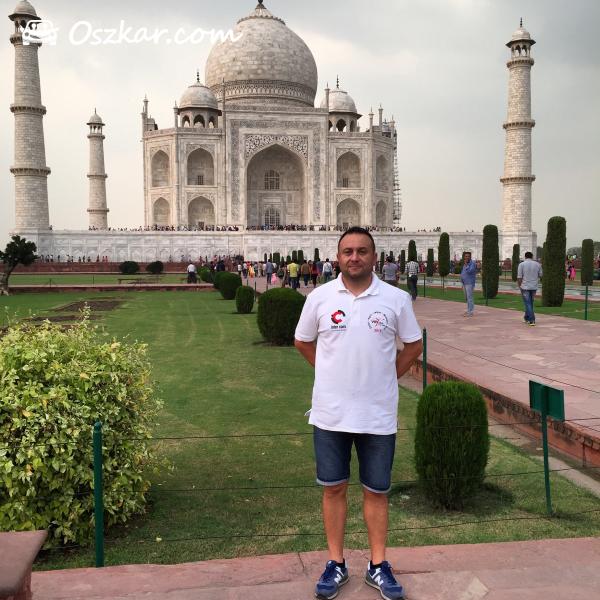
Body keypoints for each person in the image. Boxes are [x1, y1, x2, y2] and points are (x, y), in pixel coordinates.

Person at [294, 226, 423, 600]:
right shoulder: (320, 298)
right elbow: (302, 341)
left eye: (362, 251)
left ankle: (378, 564)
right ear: (338, 258)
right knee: (333, 488)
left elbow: (413, 345)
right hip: (330, 414)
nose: (354, 257)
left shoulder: (395, 299)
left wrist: (387, 376)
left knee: (376, 491)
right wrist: (328, 372)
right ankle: (335, 562)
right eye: (347, 251)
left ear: (374, 257)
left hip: (377, 414)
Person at [517, 251, 543, 326]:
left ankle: (532, 320)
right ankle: (526, 317)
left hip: (525, 286)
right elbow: (541, 275)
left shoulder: (521, 264)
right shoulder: (537, 264)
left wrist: (519, 285)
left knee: (528, 303)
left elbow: (519, 277)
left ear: (525, 257)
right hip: (534, 286)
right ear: (532, 257)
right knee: (530, 302)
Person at [460, 251, 476, 316]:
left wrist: (466, 265)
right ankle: (469, 310)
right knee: (466, 297)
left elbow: (470, 271)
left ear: (470, 257)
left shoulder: (472, 263)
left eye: (468, 256)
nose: (467, 257)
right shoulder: (465, 263)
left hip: (469, 283)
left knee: (469, 297)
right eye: (466, 256)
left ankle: (471, 312)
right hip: (464, 283)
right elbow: (463, 272)